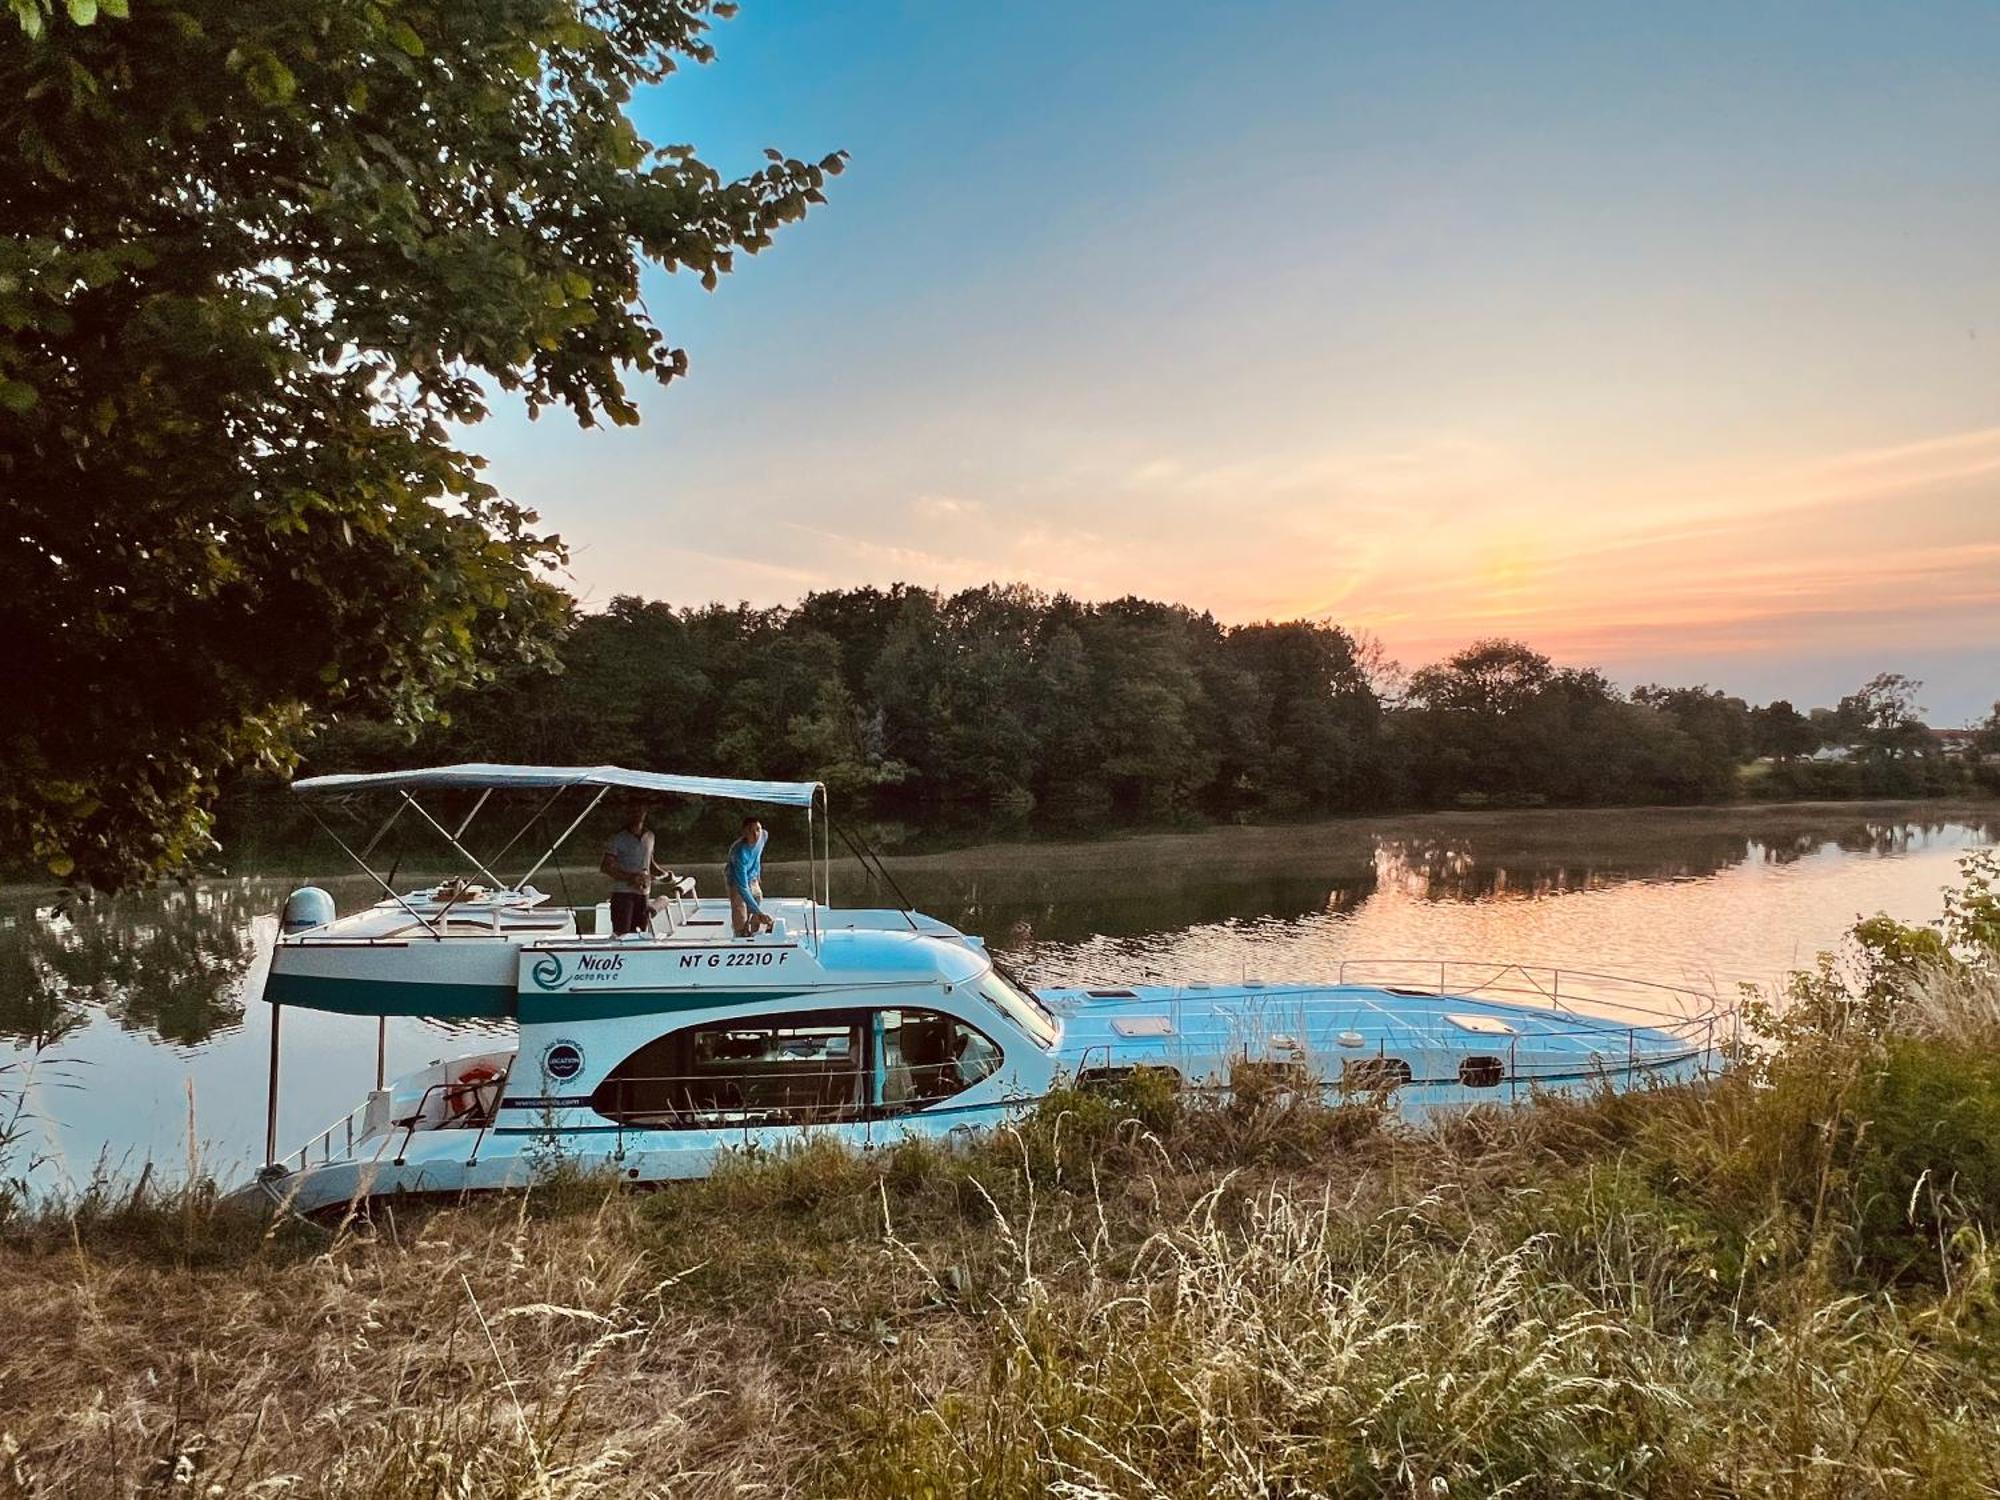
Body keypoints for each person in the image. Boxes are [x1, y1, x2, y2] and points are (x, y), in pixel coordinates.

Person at [600, 803, 659, 936]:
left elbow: (650, 862)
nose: (637, 814)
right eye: (633, 811)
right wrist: (631, 877)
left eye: (640, 810)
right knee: (622, 933)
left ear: (645, 812)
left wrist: (664, 874)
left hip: (643, 893)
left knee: (640, 933)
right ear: (628, 814)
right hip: (623, 894)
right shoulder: (618, 838)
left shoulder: (650, 836)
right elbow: (606, 867)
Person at [725, 814, 774, 937]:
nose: (755, 834)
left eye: (757, 829)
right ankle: (740, 933)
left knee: (757, 897)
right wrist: (760, 912)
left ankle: (754, 927)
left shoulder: (764, 835)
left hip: (752, 874)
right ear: (744, 833)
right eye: (751, 831)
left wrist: (757, 872)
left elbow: (758, 854)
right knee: (740, 906)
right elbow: (743, 887)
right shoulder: (739, 852)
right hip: (736, 878)